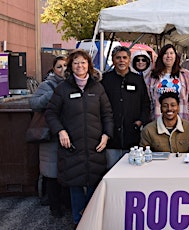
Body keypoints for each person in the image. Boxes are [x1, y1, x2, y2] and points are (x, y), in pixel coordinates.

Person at [45, 49, 114, 225]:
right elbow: (51, 113)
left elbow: (107, 114)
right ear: (71, 66)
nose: (80, 66)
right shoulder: (63, 89)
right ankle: (78, 221)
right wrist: (60, 131)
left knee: (94, 184)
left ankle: (91, 221)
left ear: (89, 65)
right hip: (72, 146)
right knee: (75, 185)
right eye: (76, 62)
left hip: (95, 145)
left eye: (83, 62)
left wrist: (106, 135)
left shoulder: (97, 88)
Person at [29, 56, 70, 218]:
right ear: (54, 69)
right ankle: (55, 207)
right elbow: (34, 103)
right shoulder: (47, 85)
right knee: (52, 173)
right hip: (51, 136)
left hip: (69, 134)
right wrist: (53, 93)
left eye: (66, 65)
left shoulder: (73, 84)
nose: (63, 69)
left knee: (68, 172)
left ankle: (67, 203)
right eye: (59, 66)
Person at [101, 46, 151, 169]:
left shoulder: (138, 80)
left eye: (124, 57)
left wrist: (139, 122)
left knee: (132, 171)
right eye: (118, 58)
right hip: (112, 137)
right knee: (111, 171)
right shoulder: (105, 79)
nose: (121, 61)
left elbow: (146, 104)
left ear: (129, 60)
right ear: (113, 60)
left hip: (132, 137)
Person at [148, 44, 189, 121]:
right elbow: (148, 100)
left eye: (171, 53)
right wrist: (152, 116)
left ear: (175, 56)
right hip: (158, 121)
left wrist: (186, 114)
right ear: (161, 56)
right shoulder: (153, 76)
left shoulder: (185, 75)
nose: (169, 56)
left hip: (181, 121)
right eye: (165, 53)